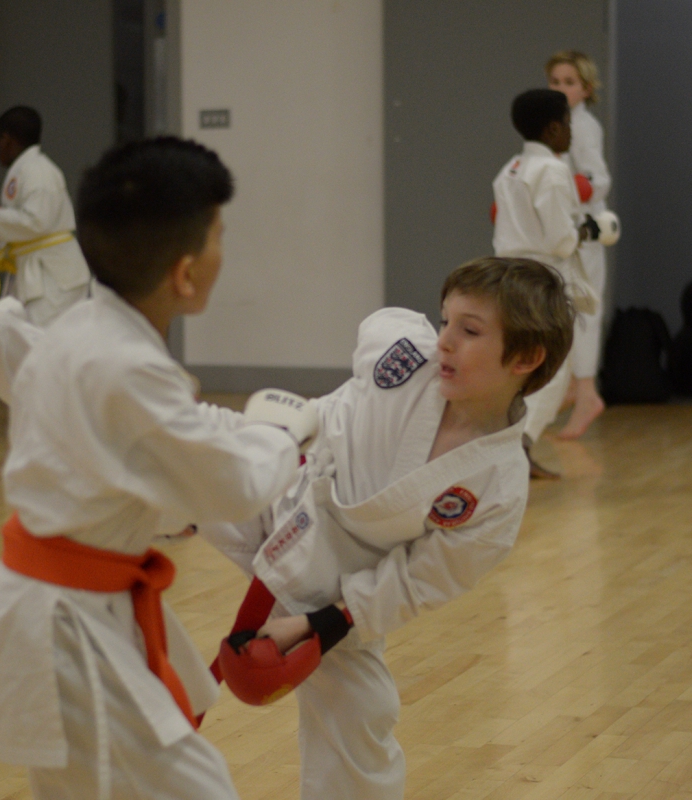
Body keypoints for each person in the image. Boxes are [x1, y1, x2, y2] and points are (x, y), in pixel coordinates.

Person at [0, 137, 317, 800]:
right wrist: (283, 435)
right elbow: (230, 483)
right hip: (67, 623)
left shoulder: (91, 331)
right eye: (218, 236)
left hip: (67, 608)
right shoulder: (126, 365)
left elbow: (28, 354)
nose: (223, 251)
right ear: (184, 272)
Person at [201, 256, 576, 800]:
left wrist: (320, 625)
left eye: (469, 331)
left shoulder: (497, 490)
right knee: (167, 453)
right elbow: (375, 341)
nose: (444, 341)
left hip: (332, 587)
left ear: (525, 357)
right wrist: (307, 422)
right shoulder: (405, 353)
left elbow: (415, 582)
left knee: (362, 718)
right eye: (445, 320)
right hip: (281, 487)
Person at [491, 88, 597, 476]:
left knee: (523, 365)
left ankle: (511, 444)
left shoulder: (511, 168)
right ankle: (518, 444)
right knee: (551, 368)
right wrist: (586, 231)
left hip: (511, 275)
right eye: (567, 124)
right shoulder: (551, 170)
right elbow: (560, 239)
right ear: (554, 129)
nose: (570, 132)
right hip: (544, 278)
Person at [0, 106, 91, 326]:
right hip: (40, 274)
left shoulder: (37, 170)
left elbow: (36, 221)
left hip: (54, 278)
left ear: (5, 139)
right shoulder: (27, 169)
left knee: (42, 346)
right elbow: (22, 227)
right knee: (22, 342)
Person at [546, 50, 611, 439]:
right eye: (555, 82)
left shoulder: (584, 127)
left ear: (586, 89)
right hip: (567, 227)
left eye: (569, 82)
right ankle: (573, 385)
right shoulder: (560, 122)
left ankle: (587, 392)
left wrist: (564, 190)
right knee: (567, 308)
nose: (560, 89)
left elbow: (598, 180)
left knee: (584, 307)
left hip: (584, 229)